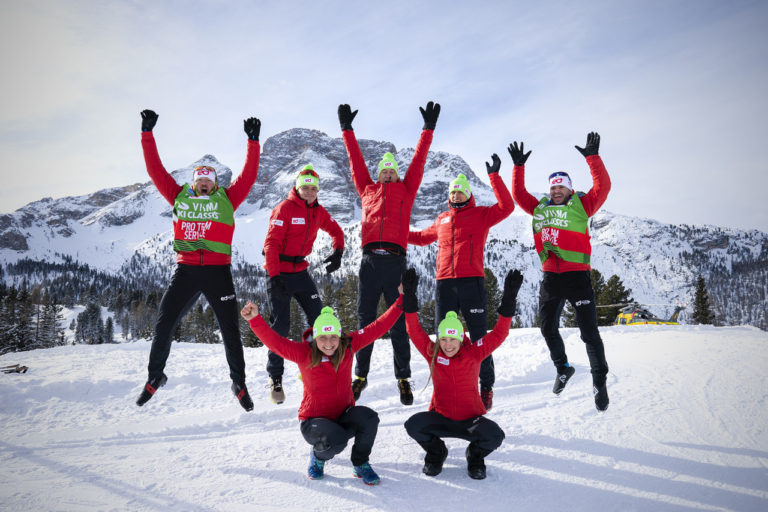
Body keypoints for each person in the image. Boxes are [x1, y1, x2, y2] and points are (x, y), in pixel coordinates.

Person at [135, 109, 261, 411]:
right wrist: (147, 134)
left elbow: (249, 176)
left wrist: (253, 142)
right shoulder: (178, 195)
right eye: (200, 180)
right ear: (193, 183)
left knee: (230, 329)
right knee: (164, 324)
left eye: (209, 180)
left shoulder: (228, 199)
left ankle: (239, 384)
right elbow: (155, 171)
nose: (204, 183)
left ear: (215, 184)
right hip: (186, 270)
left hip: (218, 272)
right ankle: (155, 377)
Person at [240, 293, 406, 485]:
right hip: (313, 423)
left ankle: (360, 463)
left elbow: (377, 327)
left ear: (339, 336)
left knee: (369, 418)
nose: (329, 343)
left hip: (343, 416)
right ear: (315, 338)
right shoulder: (304, 353)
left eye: (333, 337)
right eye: (323, 338)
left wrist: (401, 300)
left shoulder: (348, 346)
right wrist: (255, 320)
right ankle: (318, 458)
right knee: (337, 439)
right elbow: (276, 343)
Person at [337, 101, 440, 405]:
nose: (387, 175)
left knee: (399, 324)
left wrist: (427, 130)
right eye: (383, 171)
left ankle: (404, 379)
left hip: (395, 262)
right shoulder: (367, 190)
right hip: (369, 262)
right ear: (378, 175)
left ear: (396, 175)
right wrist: (347, 130)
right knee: (365, 322)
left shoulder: (406, 191)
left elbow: (419, 162)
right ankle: (359, 377)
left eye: (391, 171)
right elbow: (355, 162)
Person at [508, 132, 611, 411]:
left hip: (577, 276)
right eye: (552, 188)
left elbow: (602, 187)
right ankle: (562, 367)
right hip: (551, 277)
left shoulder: (581, 205)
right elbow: (518, 195)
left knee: (589, 332)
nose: (555, 191)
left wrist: (592, 157)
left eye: (560, 187)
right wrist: (518, 168)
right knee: (547, 327)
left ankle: (599, 380)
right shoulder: (539, 209)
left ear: (568, 189)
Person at [408, 154, 514, 411]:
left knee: (479, 339)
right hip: (445, 284)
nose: (456, 196)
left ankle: (486, 387)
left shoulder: (481, 215)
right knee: (442, 340)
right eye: (453, 193)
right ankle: (441, 391)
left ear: (468, 195)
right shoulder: (442, 219)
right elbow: (422, 238)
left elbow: (507, 207)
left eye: (460, 192)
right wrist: (396, 235)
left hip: (472, 283)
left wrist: (495, 177)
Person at [401, 267, 522, 480]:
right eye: (444, 340)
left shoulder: (474, 352)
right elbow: (413, 330)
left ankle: (474, 456)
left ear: (461, 338)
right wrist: (409, 297)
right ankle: (437, 452)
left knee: (495, 436)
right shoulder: (433, 353)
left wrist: (509, 298)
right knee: (413, 425)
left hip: (470, 422)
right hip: (441, 418)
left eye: (453, 339)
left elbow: (500, 333)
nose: (448, 345)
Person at [262, 165, 345, 404]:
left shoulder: (318, 211)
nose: (309, 192)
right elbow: (271, 245)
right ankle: (275, 378)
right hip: (278, 271)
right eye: (305, 188)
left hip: (300, 271)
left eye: (313, 188)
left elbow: (336, 230)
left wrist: (338, 251)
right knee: (281, 325)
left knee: (319, 320)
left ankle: (313, 366)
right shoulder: (284, 209)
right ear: (298, 188)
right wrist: (275, 277)